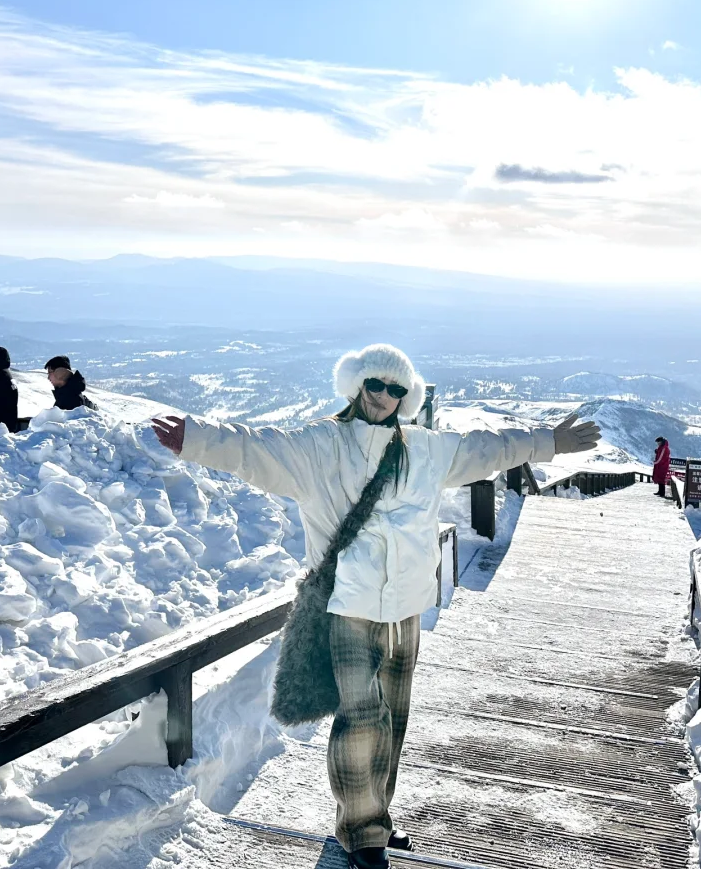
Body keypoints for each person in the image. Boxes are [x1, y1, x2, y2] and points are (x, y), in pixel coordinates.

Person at [151, 343, 599, 869]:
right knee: (360, 717)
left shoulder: (428, 451)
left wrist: (550, 441)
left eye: (396, 389)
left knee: (392, 720)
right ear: (357, 386)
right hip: (348, 604)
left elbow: (489, 448)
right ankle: (360, 833)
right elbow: (254, 449)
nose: (384, 397)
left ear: (405, 397)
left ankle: (375, 819)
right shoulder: (319, 445)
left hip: (406, 607)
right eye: (376, 385)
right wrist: (196, 439)